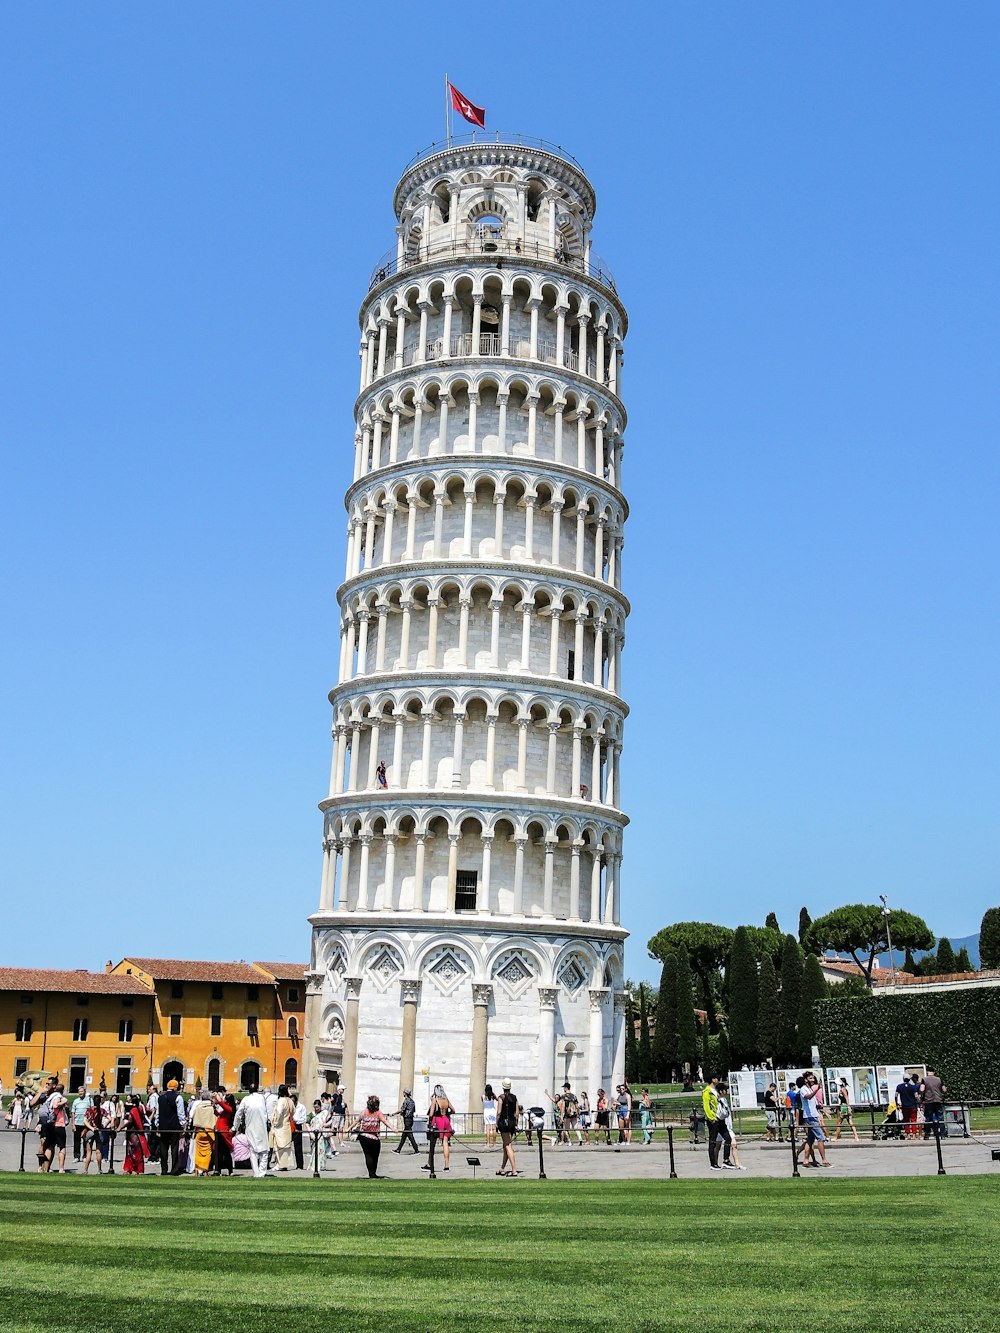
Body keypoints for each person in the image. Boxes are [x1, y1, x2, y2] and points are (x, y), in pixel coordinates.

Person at [348, 1094, 394, 1179]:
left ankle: (371, 1173)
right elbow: (385, 1121)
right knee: (375, 1156)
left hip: (364, 1136)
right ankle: (373, 1173)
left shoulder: (364, 1112)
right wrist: (393, 1129)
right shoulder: (378, 1113)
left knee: (368, 1155)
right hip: (374, 1137)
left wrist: (348, 1129)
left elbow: (356, 1121)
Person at [233, 1085, 271, 1178]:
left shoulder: (246, 1099)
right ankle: (261, 1173)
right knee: (264, 1151)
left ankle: (256, 1173)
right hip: (261, 1126)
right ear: (257, 1090)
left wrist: (235, 1126)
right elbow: (266, 1112)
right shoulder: (261, 1098)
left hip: (251, 1127)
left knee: (253, 1151)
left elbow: (238, 1114)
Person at [799, 1072, 831, 1167]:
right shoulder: (803, 1089)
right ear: (806, 1080)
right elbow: (808, 1097)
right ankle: (824, 1160)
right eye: (810, 1078)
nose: (812, 1080)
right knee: (821, 1137)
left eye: (813, 1078)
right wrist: (817, 1089)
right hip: (810, 1117)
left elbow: (814, 1104)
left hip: (813, 1115)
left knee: (810, 1139)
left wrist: (823, 1109)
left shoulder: (809, 1089)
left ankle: (805, 1160)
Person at [702, 1076, 734, 1170]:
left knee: (728, 1138)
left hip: (720, 1118)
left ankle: (726, 1160)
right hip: (713, 1119)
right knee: (713, 1141)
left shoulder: (716, 1090)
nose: (717, 1080)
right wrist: (711, 1118)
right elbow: (707, 1107)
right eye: (715, 1078)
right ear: (712, 1079)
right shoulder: (707, 1092)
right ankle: (713, 1163)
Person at [155, 1080, 186, 1176]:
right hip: (174, 1126)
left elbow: (158, 1113)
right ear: (175, 1087)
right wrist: (183, 1125)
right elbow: (181, 1113)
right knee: (174, 1148)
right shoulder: (178, 1097)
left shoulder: (160, 1098)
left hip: (163, 1126)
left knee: (163, 1149)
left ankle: (164, 1170)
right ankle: (174, 1169)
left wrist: (157, 1125)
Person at [425, 1084, 455, 1171]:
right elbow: (453, 1110)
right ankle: (446, 1166)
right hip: (446, 1120)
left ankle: (429, 1163)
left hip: (437, 1121)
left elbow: (431, 1114)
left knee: (432, 1143)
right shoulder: (446, 1100)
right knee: (445, 1143)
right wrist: (447, 1114)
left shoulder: (435, 1100)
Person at [268, 1084, 296, 1171]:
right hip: (286, 1125)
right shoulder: (290, 1101)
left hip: (280, 1126)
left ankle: (280, 1164)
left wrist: (276, 1122)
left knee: (279, 1146)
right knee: (285, 1147)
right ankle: (283, 1164)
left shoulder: (281, 1101)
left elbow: (279, 1112)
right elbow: (293, 1111)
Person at [496, 1078, 520, 1176]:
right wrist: (516, 1123)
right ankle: (502, 1168)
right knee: (506, 1145)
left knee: (508, 1146)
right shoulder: (514, 1097)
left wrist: (497, 1122)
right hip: (512, 1123)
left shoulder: (501, 1098)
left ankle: (514, 1170)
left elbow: (499, 1112)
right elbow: (517, 1112)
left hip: (504, 1124)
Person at [191, 1089, 216, 1175]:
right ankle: (205, 1170)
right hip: (209, 1132)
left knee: (198, 1152)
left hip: (199, 1131)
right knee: (207, 1152)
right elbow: (214, 1119)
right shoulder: (211, 1108)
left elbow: (194, 1118)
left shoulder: (198, 1107)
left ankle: (197, 1169)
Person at [122, 1095, 149, 1174]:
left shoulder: (133, 1110)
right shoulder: (140, 1108)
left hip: (133, 1133)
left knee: (133, 1152)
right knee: (134, 1152)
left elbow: (130, 1121)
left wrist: (121, 1127)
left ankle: (134, 1169)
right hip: (137, 1133)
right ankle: (130, 1169)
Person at [717, 1089, 744, 1169]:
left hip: (728, 1126)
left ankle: (737, 1163)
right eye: (725, 1090)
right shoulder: (718, 1101)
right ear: (721, 1091)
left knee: (734, 1144)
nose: (726, 1091)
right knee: (717, 1146)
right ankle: (715, 1162)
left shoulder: (725, 1100)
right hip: (722, 1126)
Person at [920, 1067, 947, 1139]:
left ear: (927, 1072)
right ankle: (942, 1134)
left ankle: (927, 1134)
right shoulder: (939, 1079)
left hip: (929, 1101)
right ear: (934, 1072)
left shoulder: (924, 1079)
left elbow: (922, 1089)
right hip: (938, 1100)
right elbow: (944, 1090)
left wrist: (922, 1094)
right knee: (940, 1118)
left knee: (928, 1118)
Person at [212, 1090, 236, 1175]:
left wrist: (217, 1097)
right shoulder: (225, 1110)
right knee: (218, 1152)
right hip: (219, 1132)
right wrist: (214, 1107)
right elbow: (218, 1114)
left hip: (223, 1133)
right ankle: (218, 1170)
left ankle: (230, 1170)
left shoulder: (230, 1109)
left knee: (226, 1152)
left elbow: (221, 1103)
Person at [83, 1093, 106, 1174]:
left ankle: (85, 1170)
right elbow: (110, 1118)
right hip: (99, 1130)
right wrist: (104, 1125)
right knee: (98, 1151)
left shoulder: (89, 1110)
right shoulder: (102, 1110)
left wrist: (91, 1127)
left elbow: (85, 1120)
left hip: (90, 1131)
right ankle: (99, 1169)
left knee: (89, 1152)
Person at [392, 1088, 419, 1155]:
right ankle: (398, 1150)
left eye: (403, 1092)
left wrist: (393, 1114)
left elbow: (402, 1110)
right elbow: (413, 1110)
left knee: (410, 1135)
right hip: (411, 1119)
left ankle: (417, 1150)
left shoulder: (406, 1101)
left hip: (407, 1119)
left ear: (405, 1093)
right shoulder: (412, 1101)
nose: (403, 1093)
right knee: (404, 1136)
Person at [896, 1074, 920, 1138]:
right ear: (909, 1079)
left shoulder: (899, 1086)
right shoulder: (913, 1087)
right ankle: (914, 1134)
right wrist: (918, 1101)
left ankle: (908, 1134)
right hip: (913, 1106)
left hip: (904, 1106)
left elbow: (896, 1095)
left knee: (906, 1120)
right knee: (913, 1120)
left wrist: (897, 1103)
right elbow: (916, 1096)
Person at [71, 1087, 92, 1161]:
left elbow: (92, 1111)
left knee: (86, 1140)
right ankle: (76, 1156)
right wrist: (73, 1124)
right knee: (76, 1141)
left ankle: (85, 1156)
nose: (80, 1093)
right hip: (77, 1123)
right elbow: (73, 1113)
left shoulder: (89, 1100)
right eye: (79, 1091)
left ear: (85, 1092)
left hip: (86, 1124)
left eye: (82, 1091)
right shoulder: (75, 1101)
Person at [291, 1090, 308, 1170]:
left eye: (293, 1102)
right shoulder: (290, 1107)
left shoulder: (301, 1107)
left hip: (297, 1126)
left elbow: (304, 1118)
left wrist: (296, 1120)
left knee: (298, 1147)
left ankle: (300, 1165)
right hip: (290, 1126)